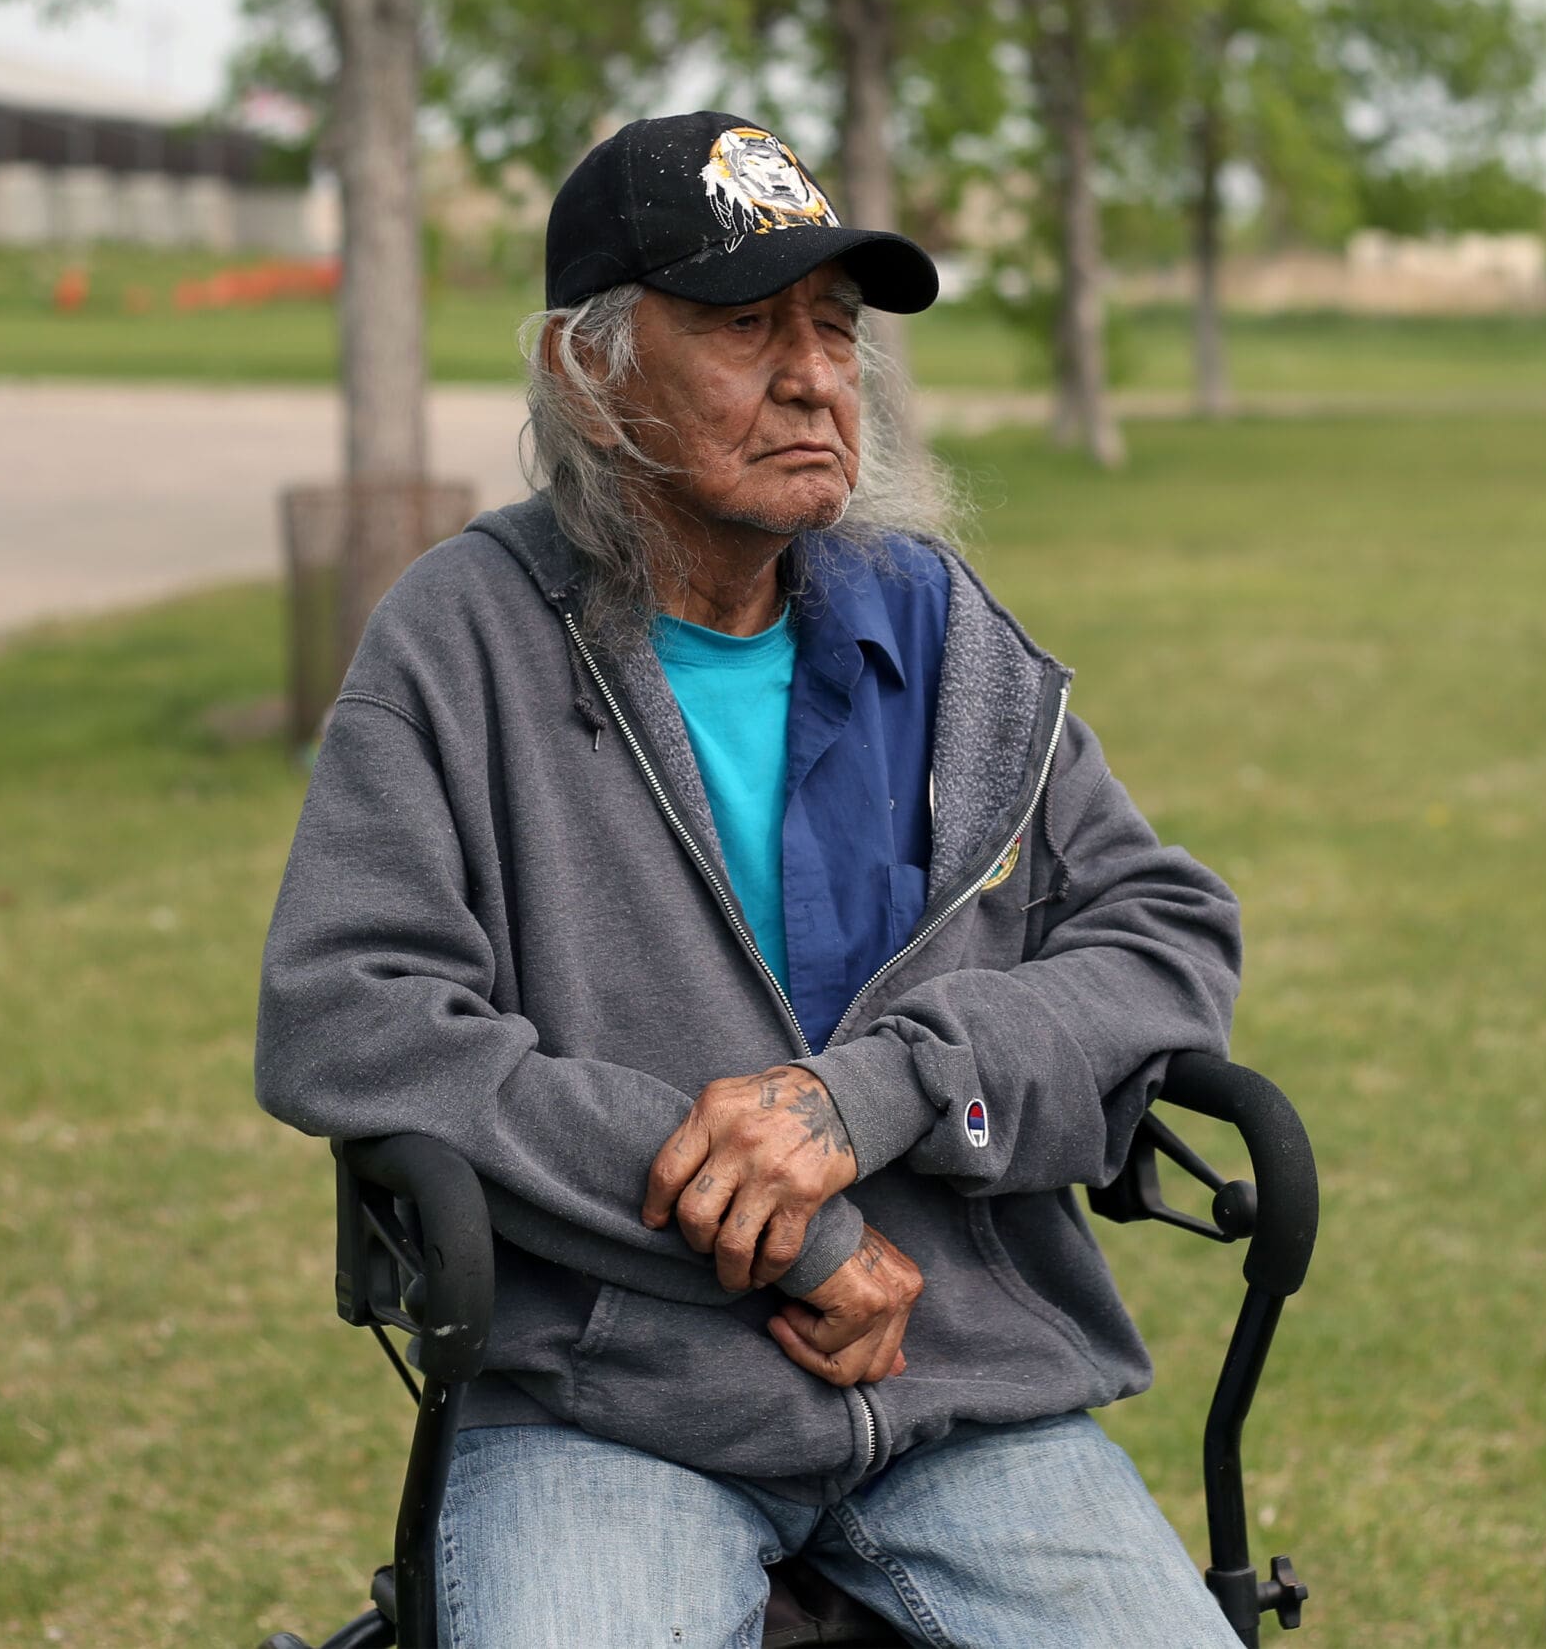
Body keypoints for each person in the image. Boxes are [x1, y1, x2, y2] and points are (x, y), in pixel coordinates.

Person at [255, 111, 1245, 1647]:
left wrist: (887, 1092)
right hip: (612, 1398)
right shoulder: (463, 636)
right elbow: (350, 1014)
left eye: (835, 330)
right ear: (589, 371)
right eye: (742, 325)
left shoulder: (931, 621)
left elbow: (1166, 931)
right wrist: (791, 1222)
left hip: (958, 1381)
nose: (815, 377)